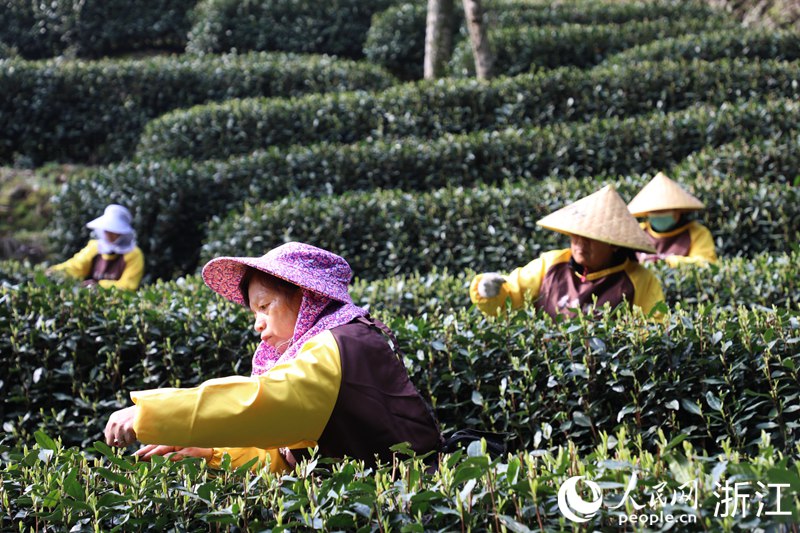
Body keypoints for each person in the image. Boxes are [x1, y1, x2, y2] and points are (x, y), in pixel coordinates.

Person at [104, 242, 442, 472]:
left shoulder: (337, 344)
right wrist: (209, 454)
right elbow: (287, 455)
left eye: (264, 306)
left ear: (307, 296)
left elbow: (268, 402)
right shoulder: (337, 339)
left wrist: (151, 413)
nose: (258, 324)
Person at [470, 185, 664, 318]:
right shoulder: (551, 263)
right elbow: (513, 296)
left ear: (613, 244)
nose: (579, 243)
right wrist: (489, 293)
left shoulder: (640, 279)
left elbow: (655, 326)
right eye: (575, 235)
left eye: (590, 238)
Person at [627, 172, 717, 266]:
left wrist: (667, 261)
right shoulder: (638, 231)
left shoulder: (697, 233)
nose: (659, 214)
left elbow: (706, 263)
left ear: (678, 210)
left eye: (664, 210)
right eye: (654, 211)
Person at [47, 204, 145, 290]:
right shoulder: (95, 247)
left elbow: (128, 286)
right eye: (107, 229)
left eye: (114, 230)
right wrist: (55, 271)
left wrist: (99, 286)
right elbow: (76, 266)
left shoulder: (134, 254)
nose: (109, 233)